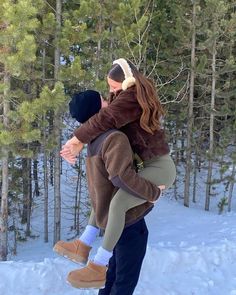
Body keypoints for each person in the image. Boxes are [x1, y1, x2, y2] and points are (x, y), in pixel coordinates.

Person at [60, 58, 176, 291]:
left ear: (128, 81)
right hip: (146, 173)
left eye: (114, 87)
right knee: (110, 202)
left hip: (159, 167)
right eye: (109, 89)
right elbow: (104, 120)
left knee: (117, 203)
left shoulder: (131, 96)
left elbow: (107, 117)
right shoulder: (115, 119)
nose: (111, 93)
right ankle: (86, 248)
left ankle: (97, 264)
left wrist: (77, 139)